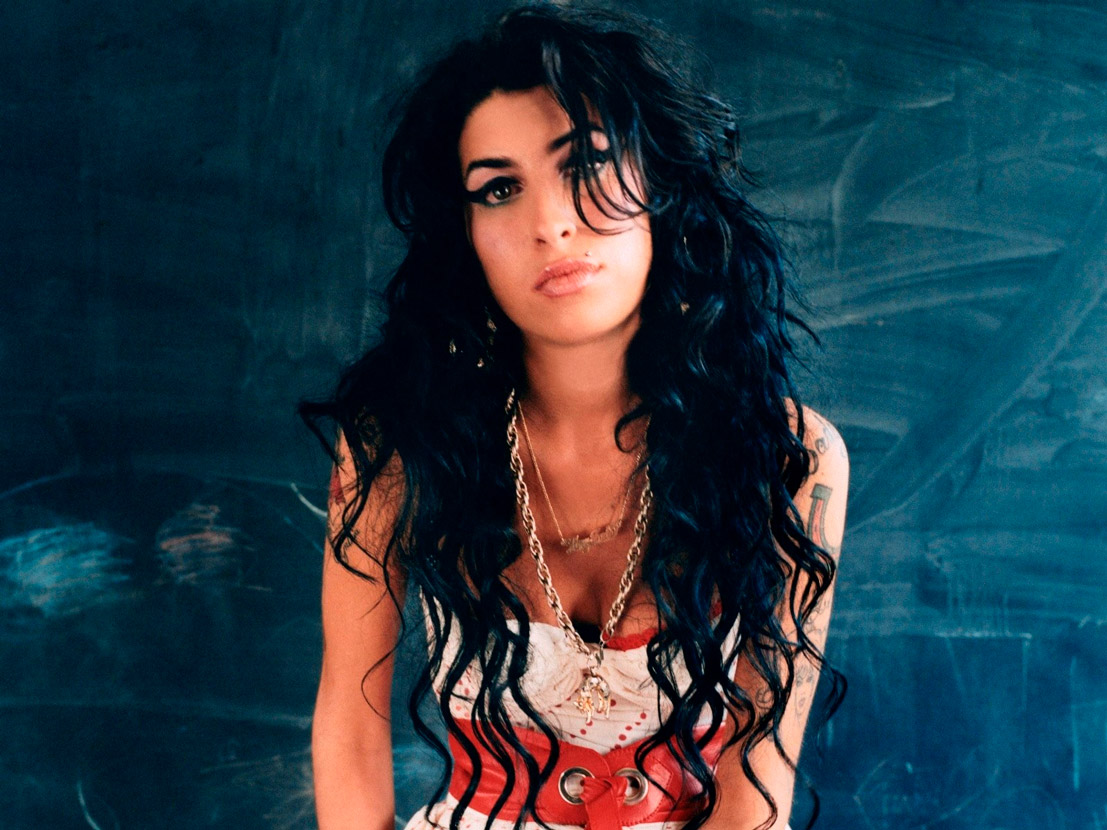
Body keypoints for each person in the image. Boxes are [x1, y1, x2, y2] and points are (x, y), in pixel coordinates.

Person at [300, 4, 849, 830]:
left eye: (585, 164)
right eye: (499, 189)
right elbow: (349, 721)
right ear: (465, 234)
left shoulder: (789, 456)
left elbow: (757, 784)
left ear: (659, 186)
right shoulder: (397, 446)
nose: (549, 223)